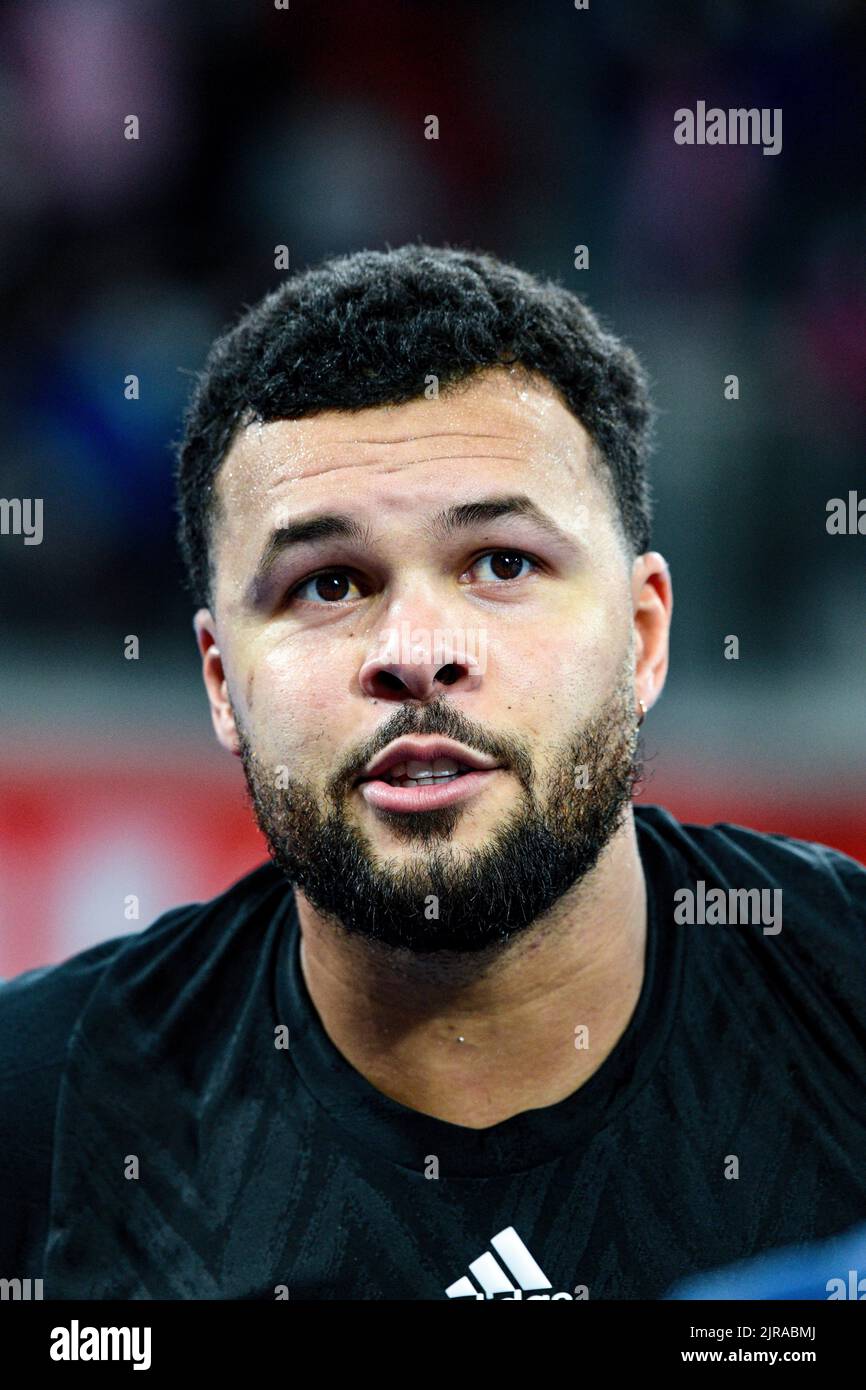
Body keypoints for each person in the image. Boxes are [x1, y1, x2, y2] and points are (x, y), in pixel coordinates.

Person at [1, 244, 864, 1300]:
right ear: (221, 683)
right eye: (327, 582)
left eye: (500, 563)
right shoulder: (35, 1115)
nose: (414, 647)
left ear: (642, 638)